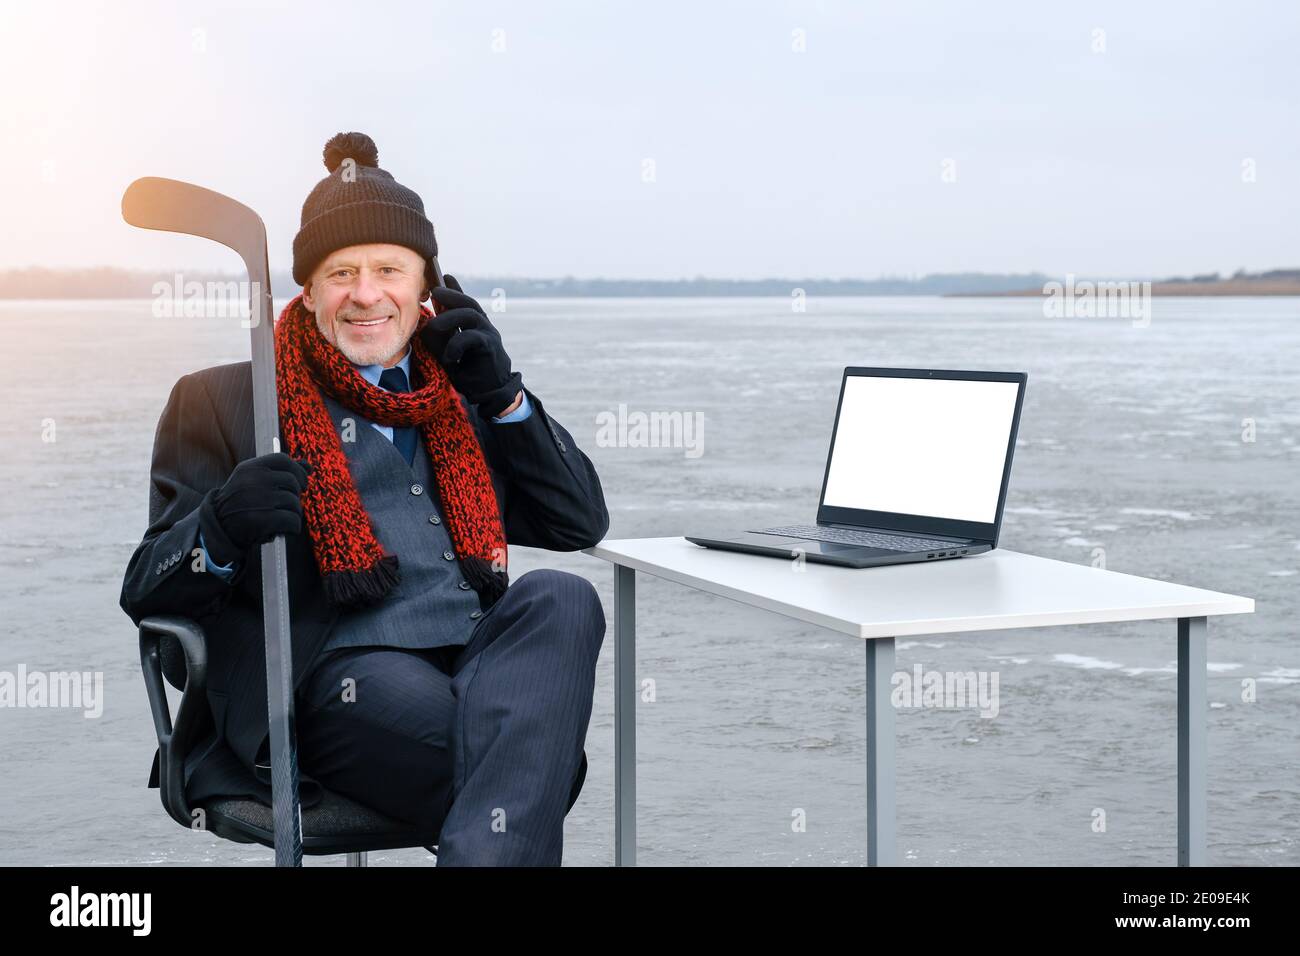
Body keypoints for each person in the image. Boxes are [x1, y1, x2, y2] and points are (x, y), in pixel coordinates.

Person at [119, 131, 609, 866]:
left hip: (478, 661)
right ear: (309, 291)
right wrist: (219, 526)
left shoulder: (462, 394)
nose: (367, 293)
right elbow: (145, 589)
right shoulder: (226, 401)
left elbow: (578, 520)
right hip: (339, 677)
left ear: (427, 290)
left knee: (562, 596)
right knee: (546, 765)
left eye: (390, 269)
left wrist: (505, 397)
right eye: (340, 272)